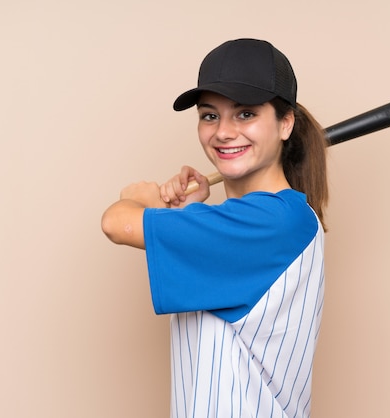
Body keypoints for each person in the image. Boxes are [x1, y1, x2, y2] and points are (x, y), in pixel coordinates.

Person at [102, 38, 329, 418]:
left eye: (245, 114)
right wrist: (188, 211)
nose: (223, 132)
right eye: (210, 115)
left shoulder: (272, 223)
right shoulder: (258, 223)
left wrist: (139, 199)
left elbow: (115, 223)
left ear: (285, 122)